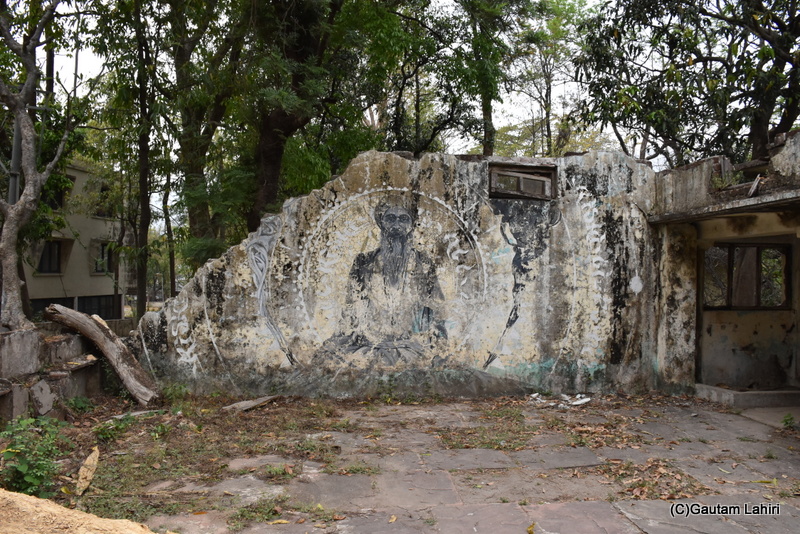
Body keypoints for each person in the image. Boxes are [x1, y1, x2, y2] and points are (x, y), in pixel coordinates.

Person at [317, 199, 446, 366]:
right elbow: (351, 306)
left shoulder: (424, 262)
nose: (397, 224)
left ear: (412, 225)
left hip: (411, 344)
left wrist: (441, 344)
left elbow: (437, 307)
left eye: (403, 219)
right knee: (328, 359)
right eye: (390, 218)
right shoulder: (363, 262)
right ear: (381, 223)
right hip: (370, 344)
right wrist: (341, 338)